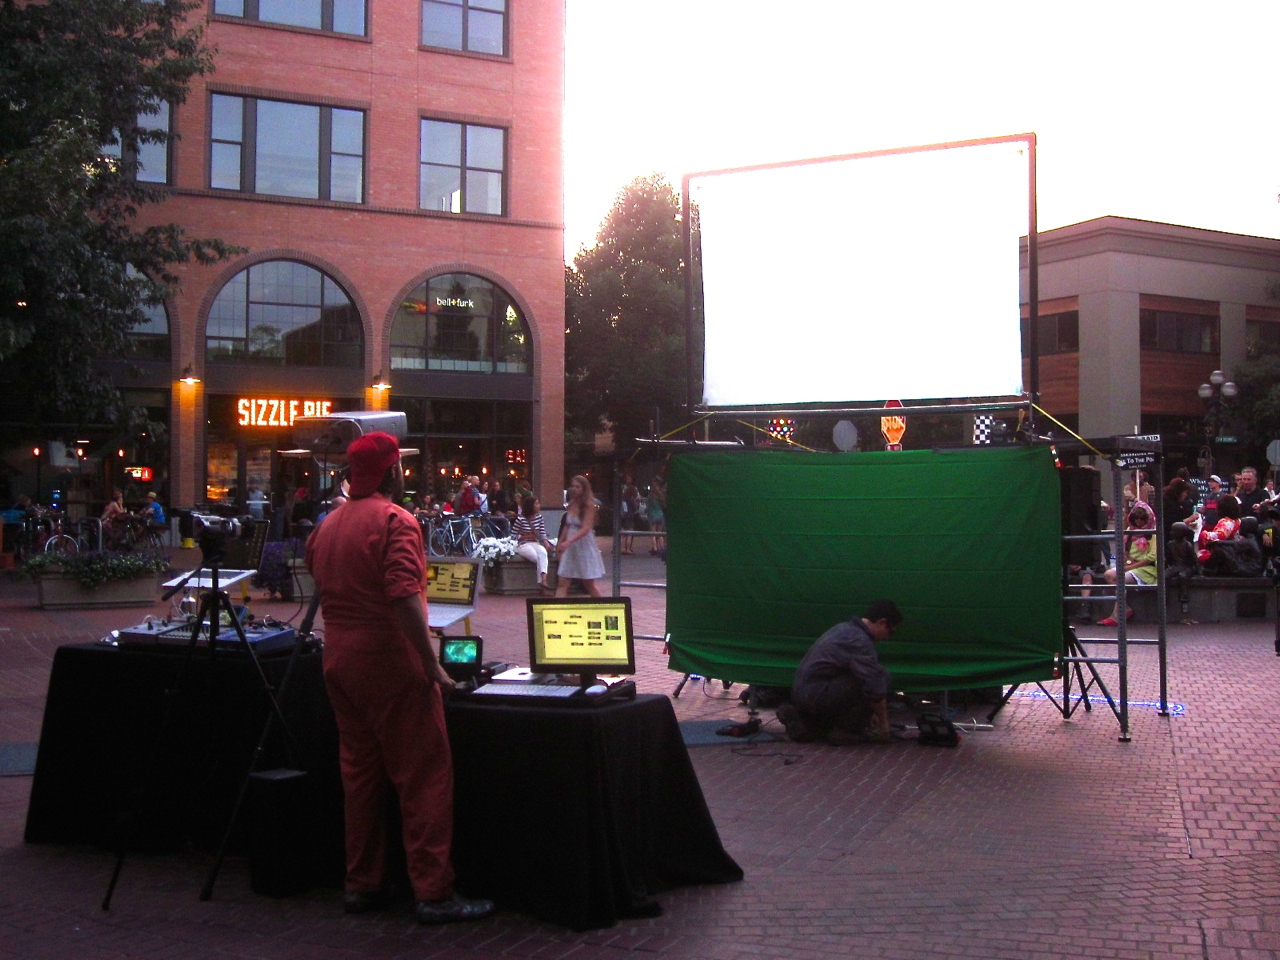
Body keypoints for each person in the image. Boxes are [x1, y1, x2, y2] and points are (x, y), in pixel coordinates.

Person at [305, 432, 493, 926]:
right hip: (390, 661)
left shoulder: (327, 525)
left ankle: (362, 883)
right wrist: (431, 665)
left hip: (338, 659)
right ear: (394, 472)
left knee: (360, 776)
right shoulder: (396, 521)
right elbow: (405, 596)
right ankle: (433, 891)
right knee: (424, 775)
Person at [776, 599, 902, 746]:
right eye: (890, 631)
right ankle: (846, 731)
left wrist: (868, 714)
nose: (887, 637)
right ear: (881, 622)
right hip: (816, 694)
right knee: (881, 677)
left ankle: (806, 722)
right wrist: (883, 725)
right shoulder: (860, 641)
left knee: (868, 677)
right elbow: (874, 686)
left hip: (804, 691)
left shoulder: (843, 628)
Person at [1098, 503, 1158, 626]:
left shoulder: (1152, 533)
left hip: (1146, 569)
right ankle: (1124, 608)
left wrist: (1131, 567)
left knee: (1119, 578)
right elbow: (1125, 551)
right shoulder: (1130, 532)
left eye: (1142, 519)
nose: (1139, 522)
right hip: (1129, 565)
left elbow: (1152, 557)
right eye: (1136, 519)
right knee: (1109, 574)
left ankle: (1116, 615)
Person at [555, 474, 605, 597]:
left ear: (584, 489)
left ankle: (603, 607)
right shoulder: (571, 504)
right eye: (573, 486)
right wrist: (560, 543)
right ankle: (557, 611)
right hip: (570, 545)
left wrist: (569, 541)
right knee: (563, 581)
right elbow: (567, 525)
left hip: (583, 544)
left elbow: (586, 528)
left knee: (588, 584)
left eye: (578, 487)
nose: (574, 489)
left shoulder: (588, 505)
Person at [512, 496, 554, 591]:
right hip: (523, 544)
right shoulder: (521, 519)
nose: (539, 506)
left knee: (543, 553)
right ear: (531, 506)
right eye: (536, 503)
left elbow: (542, 533)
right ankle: (543, 587)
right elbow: (513, 535)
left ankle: (544, 580)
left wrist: (546, 543)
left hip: (536, 542)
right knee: (536, 557)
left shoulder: (539, 518)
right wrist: (525, 537)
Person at [1198, 493, 1242, 564]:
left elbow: (1220, 536)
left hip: (1224, 553)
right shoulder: (1238, 521)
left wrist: (1204, 534)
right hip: (1235, 552)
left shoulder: (1226, 522)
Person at [619, 474, 642, 555]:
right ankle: (628, 549)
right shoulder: (631, 499)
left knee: (622, 533)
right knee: (629, 533)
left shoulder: (623, 498)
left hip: (623, 516)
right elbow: (635, 508)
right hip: (629, 516)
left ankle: (622, 548)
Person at [645, 476, 666, 555]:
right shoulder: (661, 493)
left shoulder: (651, 494)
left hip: (652, 514)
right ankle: (663, 547)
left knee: (653, 533)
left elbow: (648, 503)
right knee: (660, 533)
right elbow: (663, 502)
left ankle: (655, 548)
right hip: (660, 513)